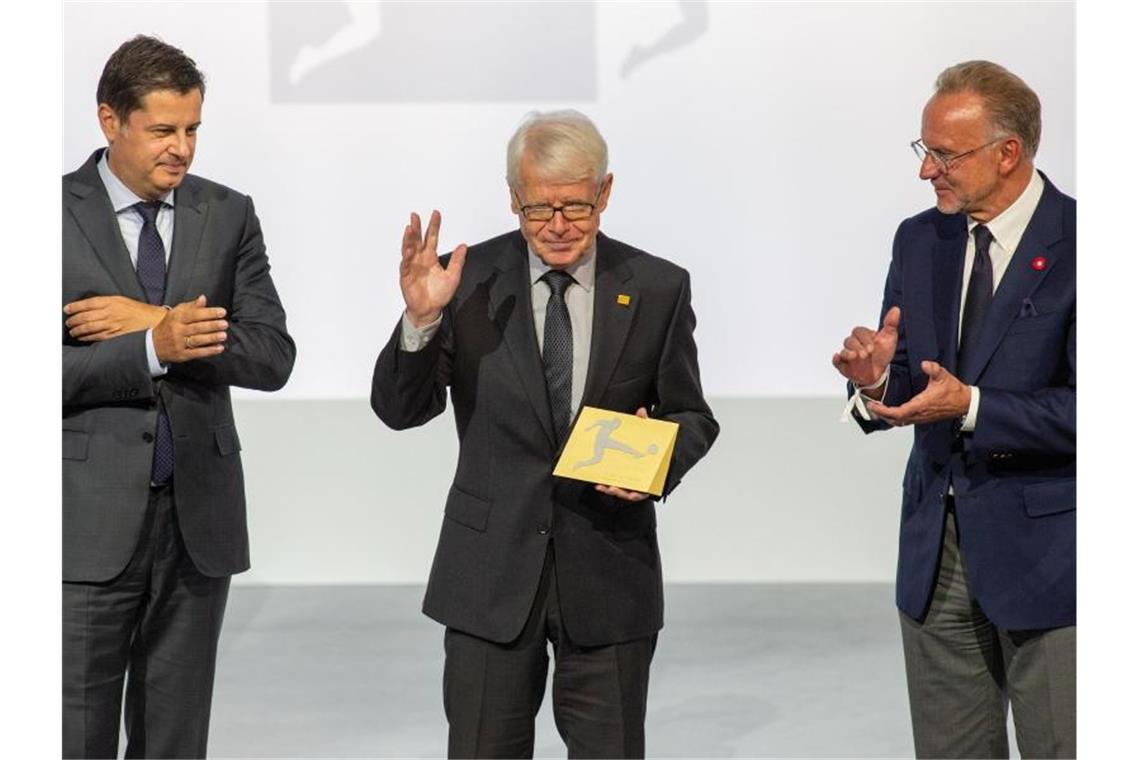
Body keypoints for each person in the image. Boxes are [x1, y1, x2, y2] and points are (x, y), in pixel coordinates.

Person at [371, 110, 718, 758]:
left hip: (610, 578)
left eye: (577, 207)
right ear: (512, 197)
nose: (558, 226)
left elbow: (692, 415)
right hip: (487, 578)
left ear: (605, 191)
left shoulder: (657, 287)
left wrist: (653, 464)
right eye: (539, 209)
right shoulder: (462, 280)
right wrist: (419, 321)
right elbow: (399, 409)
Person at [62, 35, 296, 758]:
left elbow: (271, 354)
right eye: (164, 130)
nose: (182, 149)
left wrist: (155, 325)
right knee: (73, 734)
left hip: (197, 527)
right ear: (111, 120)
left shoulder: (227, 215)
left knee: (175, 742)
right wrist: (149, 349)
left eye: (193, 129)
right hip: (81, 527)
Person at [833, 61, 1075, 758]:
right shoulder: (920, 239)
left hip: (1054, 566)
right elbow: (909, 380)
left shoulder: (1091, 246)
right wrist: (877, 384)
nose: (926, 171)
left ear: (1009, 153)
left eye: (944, 154)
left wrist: (971, 404)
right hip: (934, 558)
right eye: (924, 150)